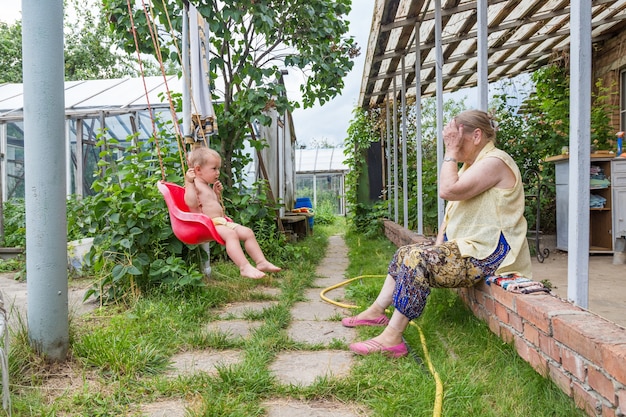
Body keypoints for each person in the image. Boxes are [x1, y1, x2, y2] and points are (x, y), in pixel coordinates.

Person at [342, 110, 532, 358]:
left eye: (456, 140)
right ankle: (377, 311)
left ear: (477, 135)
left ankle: (392, 338)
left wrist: (451, 154)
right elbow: (453, 209)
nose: (451, 146)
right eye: (449, 141)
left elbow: (448, 191)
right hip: (470, 246)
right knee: (405, 252)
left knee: (416, 260)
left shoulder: (496, 162)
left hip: (491, 252)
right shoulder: (473, 165)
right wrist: (439, 243)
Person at [184, 146, 281, 279]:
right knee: (231, 235)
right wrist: (188, 182)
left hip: (219, 222)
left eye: (218, 168)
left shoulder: (206, 186)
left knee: (248, 232)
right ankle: (244, 267)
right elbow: (191, 203)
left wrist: (216, 194)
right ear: (198, 170)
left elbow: (211, 206)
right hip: (206, 225)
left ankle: (261, 262)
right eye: (214, 169)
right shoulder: (194, 185)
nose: (218, 172)